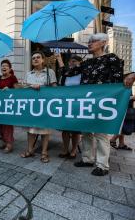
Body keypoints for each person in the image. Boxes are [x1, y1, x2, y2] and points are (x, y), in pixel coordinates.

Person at [56, 33, 124, 176]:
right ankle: (87, 159)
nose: (89, 43)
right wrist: (59, 59)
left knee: (100, 133)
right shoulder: (86, 62)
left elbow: (118, 80)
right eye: (89, 41)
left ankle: (102, 165)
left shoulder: (111, 58)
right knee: (86, 131)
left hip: (102, 101)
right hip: (86, 101)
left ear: (103, 42)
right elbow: (68, 73)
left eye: (93, 41)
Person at [19, 51, 57, 162]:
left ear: (43, 60)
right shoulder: (28, 74)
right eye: (33, 58)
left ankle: (44, 153)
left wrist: (43, 88)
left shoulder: (50, 72)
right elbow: (23, 87)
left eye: (38, 57)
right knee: (30, 129)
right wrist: (31, 86)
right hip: (31, 106)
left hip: (45, 105)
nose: (35, 59)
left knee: (45, 130)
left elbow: (55, 88)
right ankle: (30, 150)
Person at [57, 55, 82, 159]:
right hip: (66, 104)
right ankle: (65, 149)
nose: (71, 63)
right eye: (70, 62)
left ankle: (73, 149)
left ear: (80, 62)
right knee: (65, 129)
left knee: (75, 129)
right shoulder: (65, 75)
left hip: (78, 104)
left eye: (74, 61)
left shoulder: (83, 74)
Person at [0, 59, 18, 153]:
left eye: (6, 66)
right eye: (2, 66)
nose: (3, 67)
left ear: (9, 68)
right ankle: (4, 141)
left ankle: (9, 144)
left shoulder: (13, 78)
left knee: (7, 125)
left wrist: (9, 89)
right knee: (0, 124)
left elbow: (17, 90)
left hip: (9, 105)